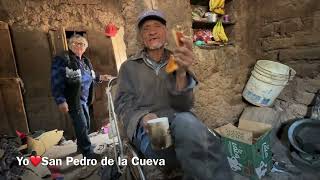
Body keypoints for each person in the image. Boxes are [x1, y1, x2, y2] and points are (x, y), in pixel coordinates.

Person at [114, 10, 232, 179]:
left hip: (181, 125)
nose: (152, 31)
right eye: (146, 28)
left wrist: (182, 72)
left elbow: (184, 105)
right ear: (141, 37)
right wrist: (142, 117)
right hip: (152, 132)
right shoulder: (129, 67)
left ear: (165, 31)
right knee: (191, 149)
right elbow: (122, 104)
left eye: (157, 26)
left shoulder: (177, 60)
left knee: (190, 126)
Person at [51, 34, 113, 159]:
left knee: (86, 124)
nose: (79, 46)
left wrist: (102, 77)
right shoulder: (63, 59)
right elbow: (56, 80)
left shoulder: (85, 61)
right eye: (76, 43)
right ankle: (87, 152)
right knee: (82, 124)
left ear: (85, 47)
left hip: (84, 99)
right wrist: (60, 100)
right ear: (70, 45)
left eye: (82, 44)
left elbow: (90, 76)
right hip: (72, 98)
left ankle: (81, 145)